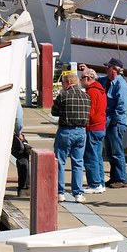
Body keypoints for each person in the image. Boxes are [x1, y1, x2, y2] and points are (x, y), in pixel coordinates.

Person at [50, 70, 90, 202]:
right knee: (78, 162)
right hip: (81, 131)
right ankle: (78, 193)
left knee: (60, 162)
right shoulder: (86, 97)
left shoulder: (63, 96)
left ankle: (60, 192)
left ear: (68, 83)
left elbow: (54, 112)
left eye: (62, 83)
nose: (62, 85)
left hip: (65, 131)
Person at [101, 58, 127, 188]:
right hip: (109, 122)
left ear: (115, 70)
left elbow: (122, 105)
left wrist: (114, 121)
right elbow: (95, 79)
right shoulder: (109, 82)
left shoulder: (121, 84)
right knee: (110, 152)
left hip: (115, 123)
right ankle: (114, 178)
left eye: (109, 67)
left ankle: (121, 179)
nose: (106, 69)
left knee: (117, 152)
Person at [80, 67, 107, 194]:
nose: (81, 80)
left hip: (92, 128)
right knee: (98, 157)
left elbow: (89, 112)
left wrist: (82, 123)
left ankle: (95, 184)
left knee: (90, 157)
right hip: (100, 127)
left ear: (89, 79)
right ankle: (100, 183)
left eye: (82, 78)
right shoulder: (101, 90)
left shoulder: (91, 92)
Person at [11, 102, 30, 197]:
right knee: (22, 155)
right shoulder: (14, 96)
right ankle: (24, 188)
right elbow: (18, 118)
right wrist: (18, 132)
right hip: (8, 131)